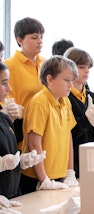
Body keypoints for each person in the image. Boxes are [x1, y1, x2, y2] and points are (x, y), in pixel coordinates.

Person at [20, 55, 79, 194]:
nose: (71, 85)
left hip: (58, 174)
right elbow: (34, 143)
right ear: (50, 79)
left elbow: (68, 135)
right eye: (66, 80)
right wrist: (44, 179)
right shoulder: (40, 102)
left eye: (72, 81)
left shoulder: (65, 101)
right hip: (37, 177)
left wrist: (70, 171)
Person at [0, 62, 45, 208]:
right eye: (4, 83)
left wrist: (21, 160)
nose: (9, 89)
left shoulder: (3, 115)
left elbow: (7, 150)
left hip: (11, 193)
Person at [64, 47, 94, 178]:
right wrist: (86, 119)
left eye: (88, 67)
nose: (86, 71)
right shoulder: (64, 97)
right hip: (72, 163)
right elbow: (69, 135)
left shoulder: (91, 96)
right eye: (81, 67)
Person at [3, 17, 45, 146]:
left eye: (41, 37)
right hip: (23, 134)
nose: (40, 41)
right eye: (34, 37)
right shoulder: (9, 66)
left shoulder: (46, 63)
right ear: (20, 40)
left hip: (47, 130)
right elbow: (4, 101)